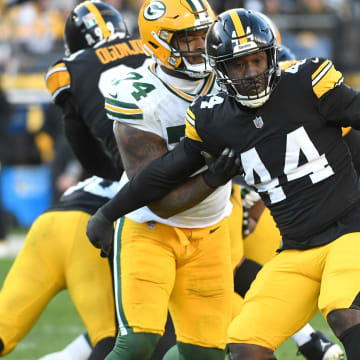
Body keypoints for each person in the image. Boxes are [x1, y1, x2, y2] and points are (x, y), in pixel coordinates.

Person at [87, 8, 360, 360]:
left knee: (345, 310)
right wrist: (108, 212)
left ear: (271, 57)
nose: (251, 74)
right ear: (220, 69)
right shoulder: (213, 117)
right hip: (297, 248)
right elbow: (164, 171)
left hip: (350, 231)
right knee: (245, 345)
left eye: (257, 61)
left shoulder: (308, 81)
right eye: (237, 65)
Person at [91, 0, 236, 359]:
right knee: (138, 342)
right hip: (151, 229)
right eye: (190, 38)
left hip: (213, 229)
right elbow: (156, 196)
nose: (203, 45)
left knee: (204, 354)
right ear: (159, 42)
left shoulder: (232, 76)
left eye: (206, 34)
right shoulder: (139, 94)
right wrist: (213, 178)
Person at [0, 176, 119, 358]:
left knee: (3, 329)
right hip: (88, 229)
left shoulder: (108, 168)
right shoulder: (152, 169)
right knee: (110, 336)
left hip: (47, 224)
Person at [45, 0, 147, 181]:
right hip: (189, 156)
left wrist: (116, 175)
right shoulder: (149, 46)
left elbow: (84, 149)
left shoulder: (71, 69)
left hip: (137, 178)